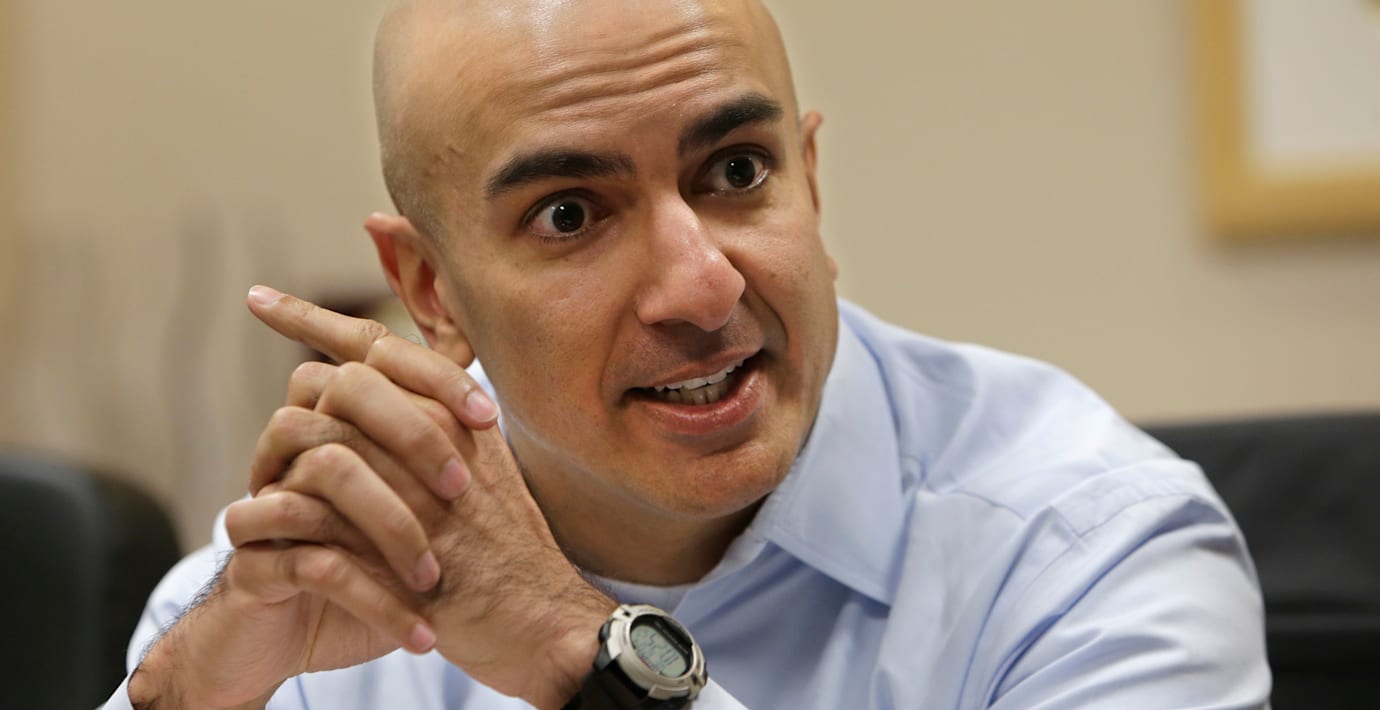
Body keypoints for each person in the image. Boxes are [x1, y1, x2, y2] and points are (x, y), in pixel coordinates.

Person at [103, 0, 1270, 708]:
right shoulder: (312, 589)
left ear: (812, 182)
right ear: (429, 290)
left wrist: (581, 655)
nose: (703, 285)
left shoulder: (1092, 557)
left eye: (737, 171)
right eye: (570, 213)